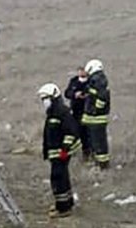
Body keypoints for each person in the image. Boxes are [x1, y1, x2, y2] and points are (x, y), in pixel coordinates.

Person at [37, 83, 81, 218]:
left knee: (58, 179)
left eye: (46, 98)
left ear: (53, 97)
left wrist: (64, 149)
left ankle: (63, 208)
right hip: (55, 153)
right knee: (62, 177)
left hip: (61, 153)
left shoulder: (62, 112)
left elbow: (71, 132)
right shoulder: (53, 112)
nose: (44, 102)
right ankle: (67, 203)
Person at [82, 59, 111, 170]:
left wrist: (95, 109)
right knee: (95, 141)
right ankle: (99, 162)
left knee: (99, 141)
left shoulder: (98, 79)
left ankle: (103, 165)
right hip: (94, 118)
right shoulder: (97, 79)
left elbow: (102, 97)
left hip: (97, 118)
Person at [64, 66, 92, 161]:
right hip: (75, 111)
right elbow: (67, 93)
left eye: (83, 70)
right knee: (73, 132)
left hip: (87, 111)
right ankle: (70, 152)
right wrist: (74, 94)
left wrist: (86, 95)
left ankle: (87, 153)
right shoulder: (74, 81)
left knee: (86, 134)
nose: (81, 72)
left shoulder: (91, 81)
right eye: (79, 70)